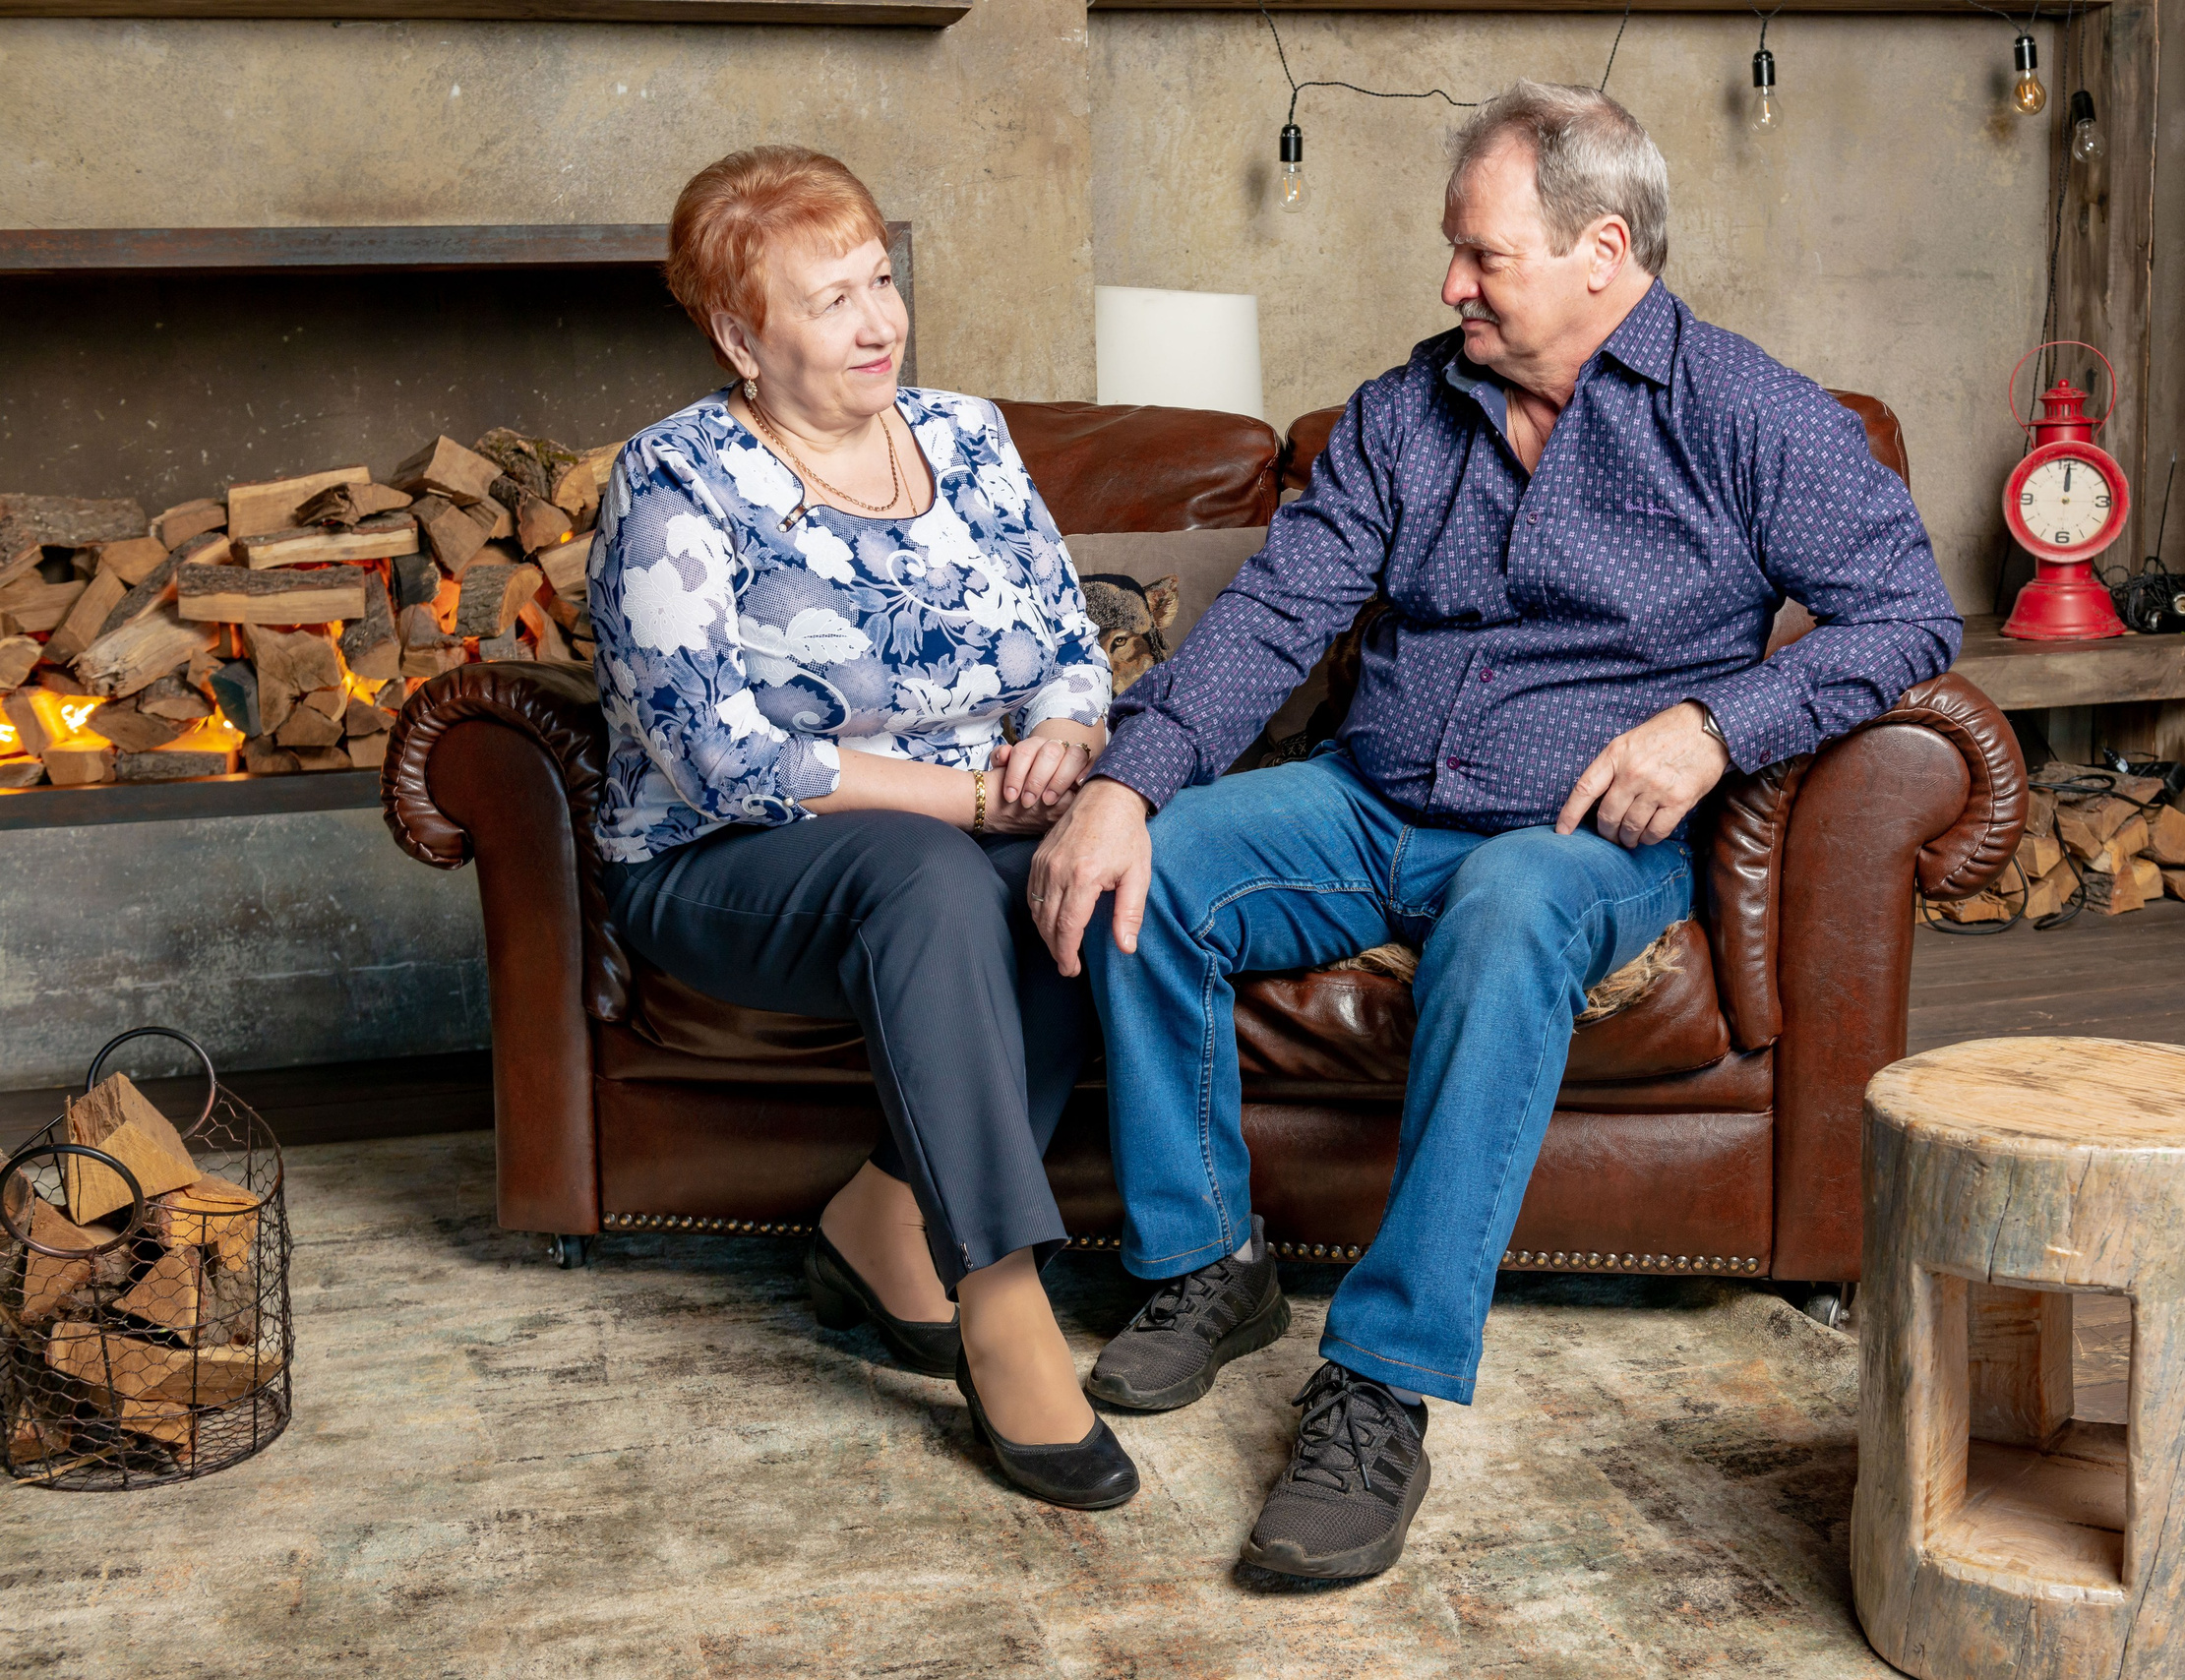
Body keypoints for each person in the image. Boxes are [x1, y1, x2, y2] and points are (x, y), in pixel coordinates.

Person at [1028, 82, 1961, 1575]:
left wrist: (1718, 725)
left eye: (1483, 254)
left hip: (1574, 840)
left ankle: (1381, 1384)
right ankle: (1207, 1263)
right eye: (1452, 253)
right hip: (1368, 798)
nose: (1449, 282)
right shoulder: (1409, 411)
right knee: (1163, 864)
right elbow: (1278, 613)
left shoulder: (1748, 415)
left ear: (1603, 251)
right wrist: (1128, 784)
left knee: (1516, 905)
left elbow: (1909, 613)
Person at [586, 146, 1135, 1510]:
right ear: (740, 334)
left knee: (1071, 873)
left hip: (967, 831)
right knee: (939, 880)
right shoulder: (674, 482)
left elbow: (1070, 639)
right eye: (831, 301)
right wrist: (964, 794)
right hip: (723, 863)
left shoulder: (966, 434)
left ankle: (881, 1215)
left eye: (880, 281)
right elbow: (718, 753)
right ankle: (1004, 1312)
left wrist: (1065, 738)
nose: (879, 322)